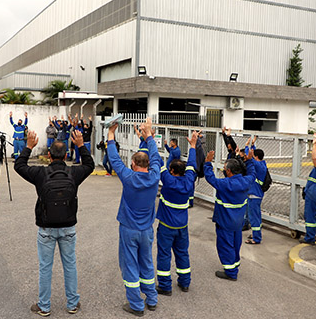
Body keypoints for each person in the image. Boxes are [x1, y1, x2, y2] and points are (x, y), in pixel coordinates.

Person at [14, 130, 94, 317]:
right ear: (66, 155)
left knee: (45, 267)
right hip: (68, 227)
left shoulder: (40, 173)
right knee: (70, 265)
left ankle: (44, 306)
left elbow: (19, 166)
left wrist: (28, 147)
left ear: (49, 155)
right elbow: (89, 164)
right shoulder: (74, 173)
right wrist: (81, 145)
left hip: (46, 228)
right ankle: (72, 304)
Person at [107, 118, 160, 316]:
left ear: (133, 163)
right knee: (146, 263)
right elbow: (155, 157)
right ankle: (152, 299)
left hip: (129, 229)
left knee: (130, 265)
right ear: (147, 164)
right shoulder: (155, 176)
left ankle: (136, 305)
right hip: (147, 229)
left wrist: (111, 135)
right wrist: (149, 136)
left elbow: (113, 159)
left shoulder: (128, 177)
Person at [155, 131, 198, 296]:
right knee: (182, 253)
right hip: (182, 226)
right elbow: (192, 165)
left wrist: (150, 139)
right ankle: (184, 282)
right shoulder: (189, 181)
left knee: (164, 255)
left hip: (166, 226)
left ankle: (165, 286)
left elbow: (158, 161)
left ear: (172, 171)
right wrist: (192, 146)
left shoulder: (168, 181)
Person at [204, 148, 256, 281]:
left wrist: (207, 162)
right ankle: (235, 265)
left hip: (225, 222)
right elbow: (252, 173)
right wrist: (250, 161)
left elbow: (210, 177)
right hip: (238, 222)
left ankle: (230, 272)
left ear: (228, 171)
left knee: (225, 245)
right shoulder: (246, 181)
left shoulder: (224, 183)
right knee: (235, 243)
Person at [244, 138, 267, 245]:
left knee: (254, 218)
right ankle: (255, 234)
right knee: (254, 216)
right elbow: (253, 156)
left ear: (256, 157)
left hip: (254, 195)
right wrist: (253, 145)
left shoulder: (257, 165)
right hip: (255, 195)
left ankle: (256, 238)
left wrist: (247, 146)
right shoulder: (262, 164)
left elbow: (248, 157)